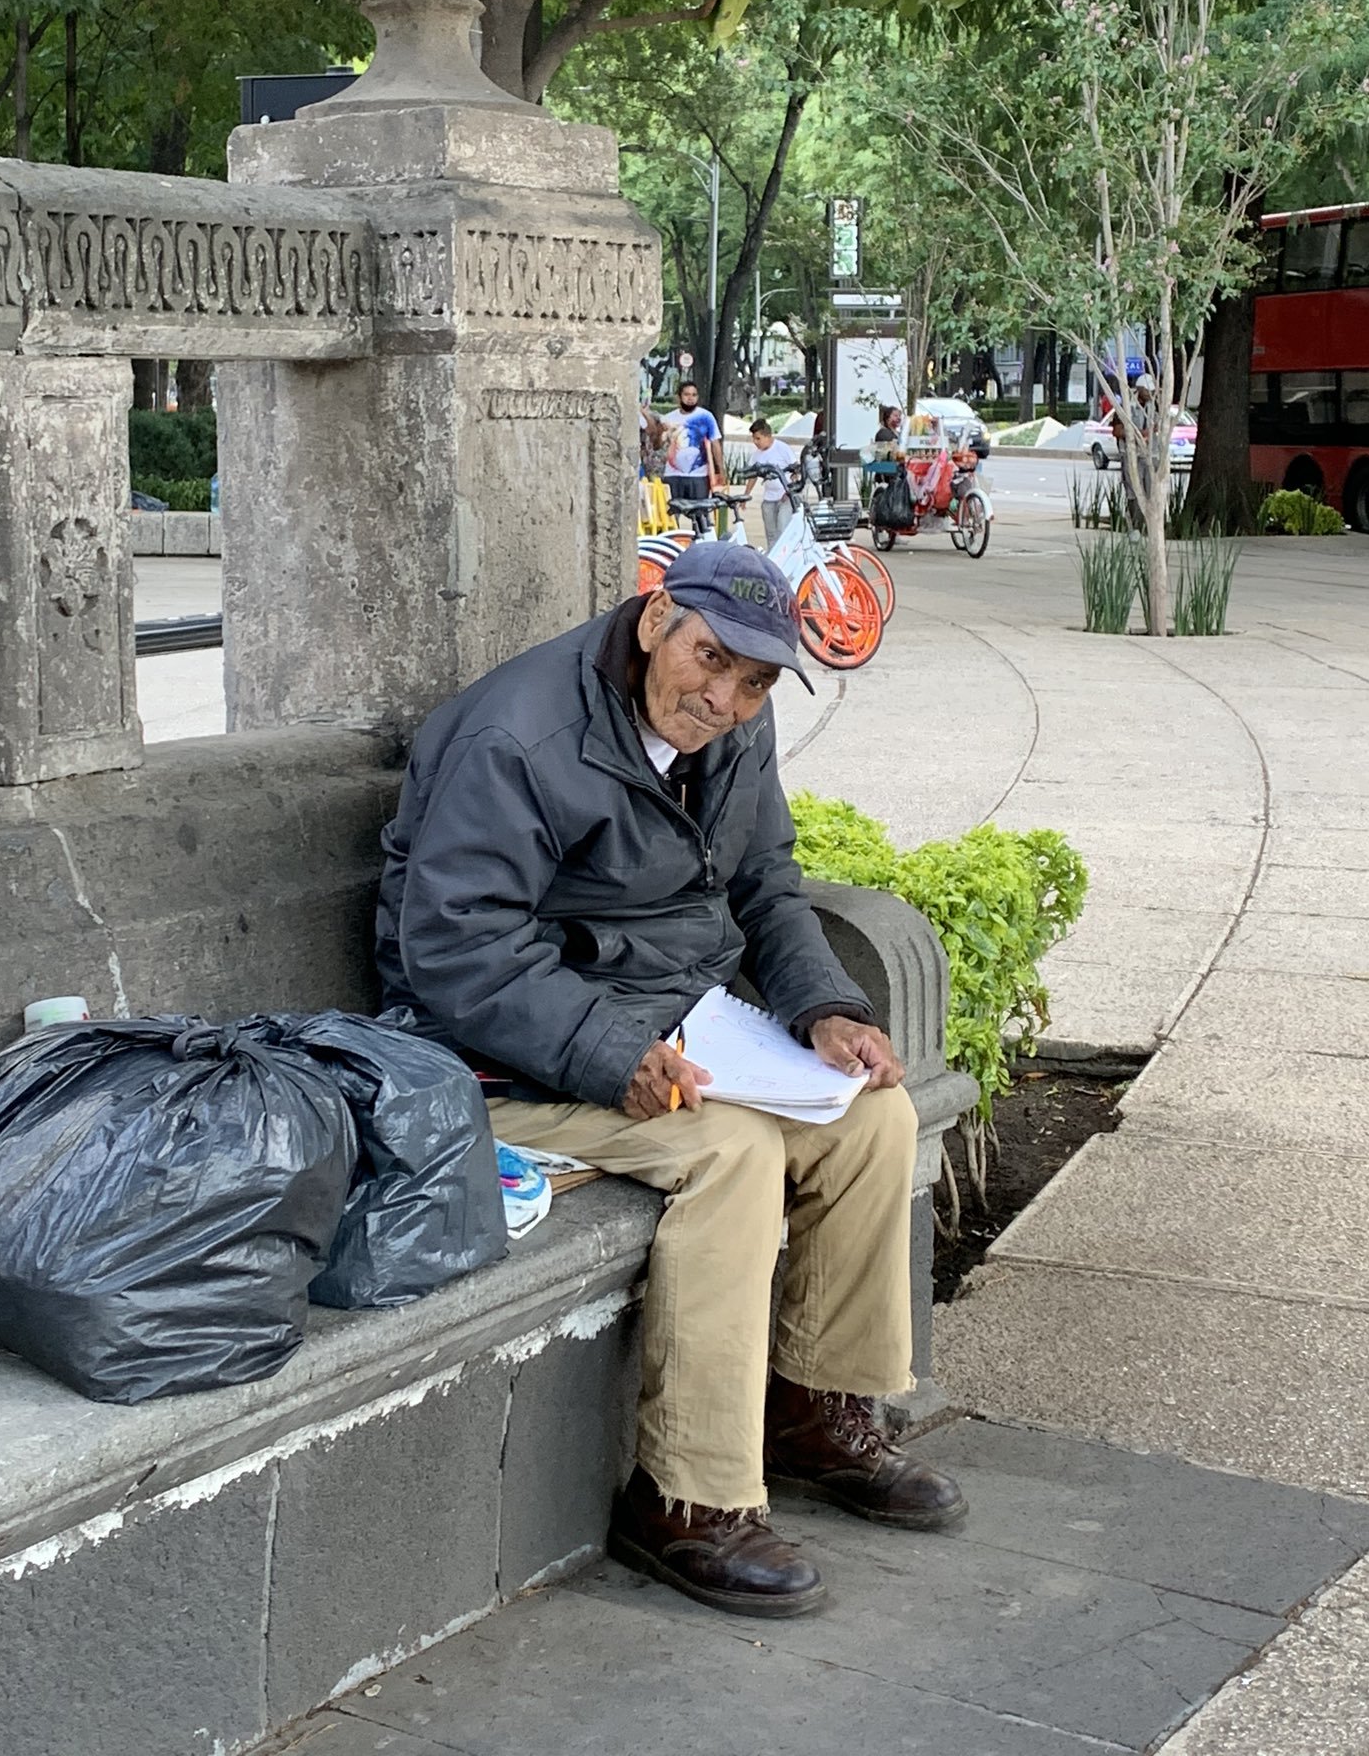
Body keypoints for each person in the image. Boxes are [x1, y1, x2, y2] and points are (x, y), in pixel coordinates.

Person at [376, 543, 966, 1622]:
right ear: (656, 621)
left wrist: (827, 1006)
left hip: (675, 1019)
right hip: (500, 1049)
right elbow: (456, 951)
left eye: (755, 680)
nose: (726, 696)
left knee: (870, 1112)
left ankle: (815, 1409)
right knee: (733, 1153)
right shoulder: (520, 734)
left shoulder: (734, 725)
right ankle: (686, 1498)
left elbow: (767, 883)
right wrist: (609, 1050)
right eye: (711, 659)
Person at [662, 379, 723, 505]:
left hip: (699, 476)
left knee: (701, 516)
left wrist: (720, 470)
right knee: (672, 516)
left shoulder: (706, 417)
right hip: (673, 475)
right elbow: (659, 445)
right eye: (687, 394)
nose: (690, 398)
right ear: (679, 397)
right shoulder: (668, 419)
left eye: (694, 395)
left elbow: (715, 444)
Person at [747, 417, 800, 546]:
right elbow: (753, 476)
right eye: (754, 438)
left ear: (768, 436)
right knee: (771, 534)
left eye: (758, 438)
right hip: (769, 498)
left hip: (785, 496)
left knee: (782, 528)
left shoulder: (782, 448)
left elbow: (796, 469)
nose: (755, 442)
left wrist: (791, 490)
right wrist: (747, 493)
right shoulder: (757, 455)